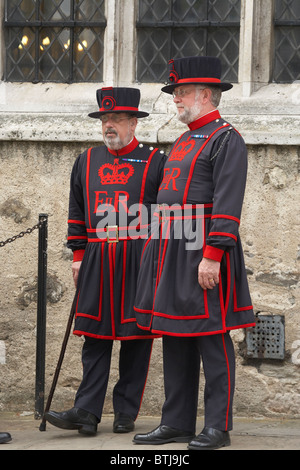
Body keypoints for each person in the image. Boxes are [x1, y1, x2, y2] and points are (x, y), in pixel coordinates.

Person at [133, 56, 255, 450]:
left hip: (202, 251)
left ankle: (217, 426)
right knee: (176, 336)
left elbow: (227, 202)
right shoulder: (184, 139)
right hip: (172, 250)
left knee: (213, 340)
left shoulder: (226, 138)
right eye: (175, 94)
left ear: (206, 94)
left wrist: (213, 255)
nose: (176, 100)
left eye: (182, 93)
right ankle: (176, 422)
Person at [45, 87, 166, 436]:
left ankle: (126, 412)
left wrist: (156, 261)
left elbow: (165, 216)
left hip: (138, 258)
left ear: (133, 123)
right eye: (104, 119)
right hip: (97, 257)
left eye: (116, 119)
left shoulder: (155, 160)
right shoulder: (86, 160)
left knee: (136, 335)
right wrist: (78, 256)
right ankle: (86, 411)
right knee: (94, 336)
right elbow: (76, 210)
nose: (108, 125)